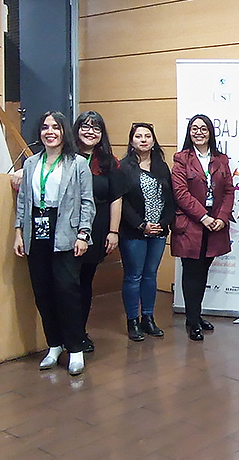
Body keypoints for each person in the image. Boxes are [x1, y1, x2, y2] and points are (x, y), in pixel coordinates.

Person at [13, 111, 95, 376]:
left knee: (67, 292)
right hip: (36, 232)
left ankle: (75, 348)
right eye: (45, 127)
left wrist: (83, 235)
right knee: (43, 291)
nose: (50, 132)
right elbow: (24, 200)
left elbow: (87, 202)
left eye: (56, 127)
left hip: (67, 235)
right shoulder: (30, 164)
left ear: (64, 132)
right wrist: (18, 232)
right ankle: (54, 345)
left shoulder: (78, 163)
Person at [170, 115, 235, 341]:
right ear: (189, 132)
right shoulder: (181, 159)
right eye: (194, 128)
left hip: (215, 225)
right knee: (191, 273)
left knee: (203, 271)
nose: (198, 132)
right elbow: (180, 194)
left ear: (210, 132)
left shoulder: (221, 160)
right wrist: (204, 217)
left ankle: (196, 315)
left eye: (203, 128)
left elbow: (228, 191)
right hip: (190, 225)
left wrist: (222, 217)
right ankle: (192, 320)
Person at [74, 111, 126, 353]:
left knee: (84, 283)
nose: (90, 132)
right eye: (85, 126)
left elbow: (116, 198)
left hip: (96, 230)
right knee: (65, 284)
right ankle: (60, 333)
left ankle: (79, 333)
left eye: (96, 128)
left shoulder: (108, 162)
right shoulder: (64, 157)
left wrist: (113, 231)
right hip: (66, 229)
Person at [118, 122, 174, 342]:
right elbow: (122, 203)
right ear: (132, 141)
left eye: (147, 136)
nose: (143, 140)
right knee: (134, 276)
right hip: (134, 232)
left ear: (153, 140)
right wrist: (141, 225)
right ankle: (132, 320)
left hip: (159, 231)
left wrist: (163, 222)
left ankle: (148, 318)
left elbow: (170, 199)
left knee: (151, 275)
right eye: (138, 136)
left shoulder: (161, 166)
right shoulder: (123, 167)